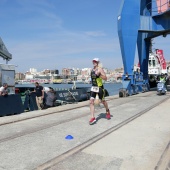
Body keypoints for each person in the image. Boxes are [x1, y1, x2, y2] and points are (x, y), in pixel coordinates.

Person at [89, 58, 110, 125]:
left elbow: (106, 78)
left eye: (95, 61)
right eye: (93, 61)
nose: (94, 62)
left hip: (100, 87)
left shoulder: (100, 69)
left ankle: (107, 110)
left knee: (103, 101)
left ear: (98, 62)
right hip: (93, 87)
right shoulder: (92, 70)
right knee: (91, 101)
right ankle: (92, 117)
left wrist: (99, 75)